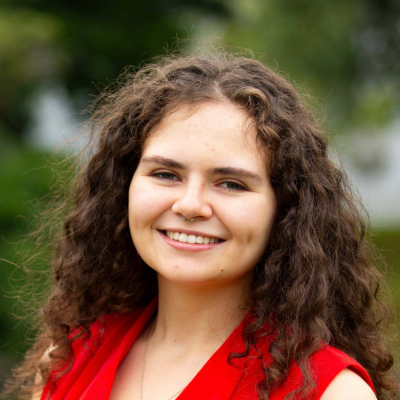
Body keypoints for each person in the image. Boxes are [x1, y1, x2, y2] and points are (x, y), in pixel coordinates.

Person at [1, 48, 398, 400]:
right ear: (125, 185)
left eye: (231, 183)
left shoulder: (328, 391)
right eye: (165, 174)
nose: (190, 205)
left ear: (286, 210)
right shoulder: (69, 358)